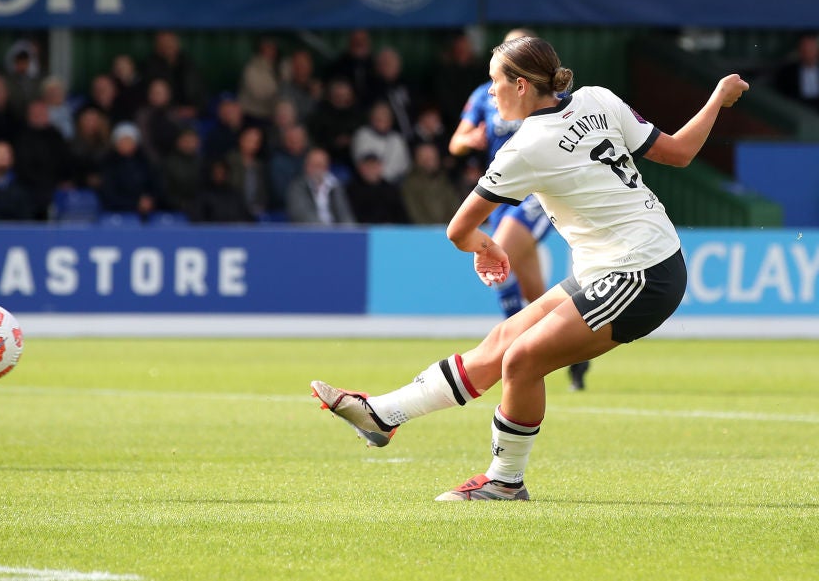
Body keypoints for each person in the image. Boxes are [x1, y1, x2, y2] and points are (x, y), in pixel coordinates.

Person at [311, 36, 749, 501]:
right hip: (619, 266)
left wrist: (486, 248)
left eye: (494, 82)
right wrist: (718, 98)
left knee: (521, 360)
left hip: (642, 272)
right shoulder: (599, 98)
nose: (490, 92)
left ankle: (504, 481)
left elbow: (459, 230)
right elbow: (679, 152)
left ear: (521, 85)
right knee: (501, 344)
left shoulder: (525, 148)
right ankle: (382, 415)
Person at [449, 29, 591, 389]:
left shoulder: (555, 99)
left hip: (535, 193)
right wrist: (469, 140)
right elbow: (456, 143)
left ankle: (512, 345)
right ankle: (578, 349)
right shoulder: (485, 96)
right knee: (537, 298)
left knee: (502, 251)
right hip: (501, 190)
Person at [286, 147, 355, 225]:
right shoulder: (297, 187)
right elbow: (301, 215)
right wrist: (325, 231)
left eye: (320, 165)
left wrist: (349, 231)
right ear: (306, 166)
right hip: (310, 233)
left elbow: (344, 214)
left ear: (327, 167)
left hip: (335, 233)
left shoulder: (335, 186)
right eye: (314, 165)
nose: (318, 170)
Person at [400, 142, 459, 225]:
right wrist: (431, 229)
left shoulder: (444, 181)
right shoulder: (411, 184)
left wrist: (449, 227)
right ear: (418, 159)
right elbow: (414, 212)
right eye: (426, 158)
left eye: (432, 157)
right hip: (423, 232)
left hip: (447, 230)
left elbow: (455, 207)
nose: (430, 161)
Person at [345, 152, 409, 225]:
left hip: (390, 231)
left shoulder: (390, 189)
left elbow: (401, 215)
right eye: (368, 166)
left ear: (380, 168)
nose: (371, 170)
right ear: (360, 169)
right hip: (364, 231)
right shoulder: (352, 189)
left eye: (374, 166)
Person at [770, 32, 819, 113]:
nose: (807, 51)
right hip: (797, 111)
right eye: (804, 48)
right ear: (799, 50)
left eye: (811, 48)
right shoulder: (787, 72)